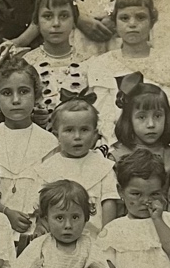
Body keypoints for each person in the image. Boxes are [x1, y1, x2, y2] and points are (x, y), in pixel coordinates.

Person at [0, 55, 57, 241]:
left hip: (37, 232)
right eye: (6, 93)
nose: (15, 100)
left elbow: (53, 191)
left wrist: (42, 224)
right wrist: (6, 212)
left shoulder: (49, 142)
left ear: (36, 96)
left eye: (23, 91)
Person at [84, 0, 170, 112]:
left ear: (151, 22)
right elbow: (101, 113)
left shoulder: (165, 62)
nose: (132, 24)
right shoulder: (102, 64)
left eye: (141, 17)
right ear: (115, 23)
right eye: (124, 18)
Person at [32, 91, 118, 231]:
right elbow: (41, 208)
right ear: (56, 135)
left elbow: (108, 201)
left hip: (94, 238)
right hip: (59, 238)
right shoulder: (48, 168)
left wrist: (106, 234)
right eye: (69, 130)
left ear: (95, 134)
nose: (77, 136)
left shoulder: (102, 165)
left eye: (84, 130)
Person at [22, 0, 91, 123]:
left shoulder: (88, 63)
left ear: (74, 20)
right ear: (36, 21)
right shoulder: (27, 63)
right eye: (47, 16)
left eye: (64, 16)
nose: (56, 23)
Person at [110, 73, 170, 183]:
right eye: (142, 117)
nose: (151, 124)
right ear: (129, 119)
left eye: (157, 116)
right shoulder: (116, 156)